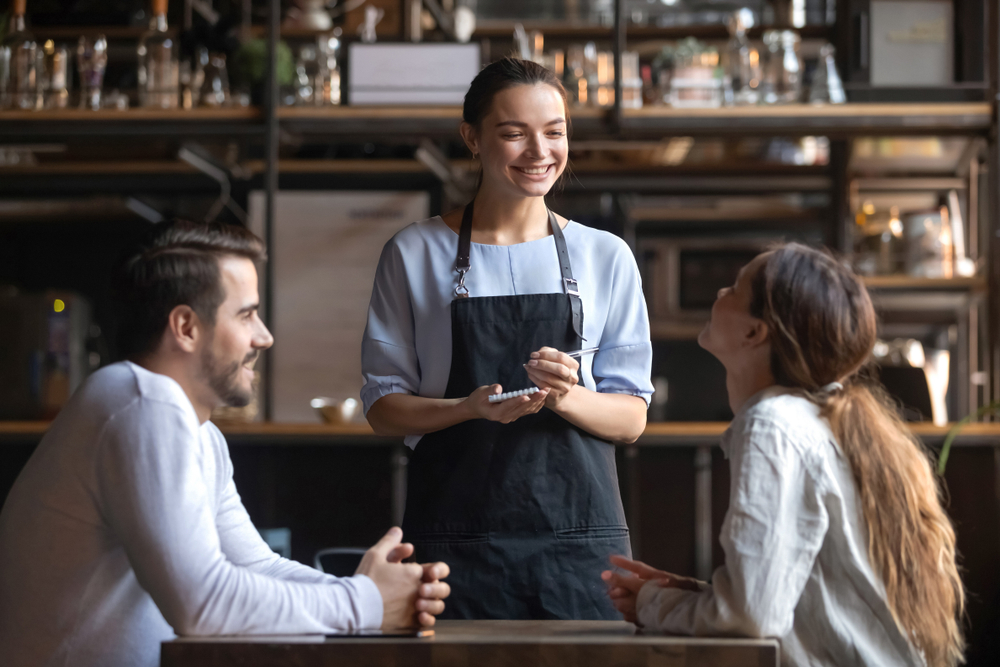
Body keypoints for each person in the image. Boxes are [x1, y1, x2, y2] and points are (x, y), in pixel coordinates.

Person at [0, 221, 450, 667]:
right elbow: (203, 603)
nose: (264, 336)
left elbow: (257, 565)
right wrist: (365, 603)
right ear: (186, 327)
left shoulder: (197, 431)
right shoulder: (141, 402)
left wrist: (378, 593)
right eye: (246, 314)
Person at [361, 57, 654, 620]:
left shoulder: (606, 256)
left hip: (579, 544)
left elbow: (632, 416)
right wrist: (466, 409)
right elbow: (383, 408)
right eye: (514, 133)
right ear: (472, 137)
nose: (539, 152)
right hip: (454, 542)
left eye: (555, 133)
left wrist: (569, 396)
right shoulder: (414, 252)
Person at [602, 243, 965, 667]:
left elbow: (751, 618)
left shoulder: (771, 425)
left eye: (735, 289)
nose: (720, 292)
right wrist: (693, 593)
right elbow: (795, 601)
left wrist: (652, 605)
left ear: (755, 333)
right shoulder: (809, 418)